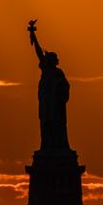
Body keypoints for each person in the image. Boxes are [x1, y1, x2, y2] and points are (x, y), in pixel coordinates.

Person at [28, 20, 71, 153]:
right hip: (46, 104)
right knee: (46, 126)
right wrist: (33, 35)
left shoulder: (58, 73)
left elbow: (65, 87)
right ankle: (47, 147)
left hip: (56, 106)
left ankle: (59, 148)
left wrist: (58, 91)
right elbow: (39, 52)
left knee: (57, 127)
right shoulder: (47, 70)